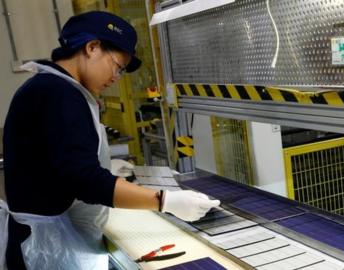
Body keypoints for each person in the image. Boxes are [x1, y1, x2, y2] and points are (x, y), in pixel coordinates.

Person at [0, 11, 219, 270]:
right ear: (92, 47)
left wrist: (106, 168)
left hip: (44, 237)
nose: (117, 77)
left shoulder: (49, 87)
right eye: (117, 66)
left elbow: (59, 163)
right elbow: (85, 181)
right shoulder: (60, 93)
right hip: (45, 249)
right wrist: (165, 201)